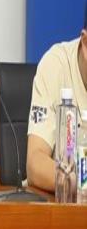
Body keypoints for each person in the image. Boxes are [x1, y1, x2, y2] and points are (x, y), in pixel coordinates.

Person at [27, 22, 87, 192]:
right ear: (85, 42)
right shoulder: (56, 66)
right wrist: (79, 182)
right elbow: (34, 163)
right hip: (57, 201)